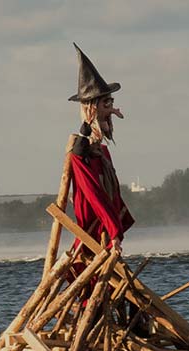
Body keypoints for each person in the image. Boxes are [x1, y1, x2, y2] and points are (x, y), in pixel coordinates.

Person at [67, 43, 134, 255]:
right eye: (107, 104)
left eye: (112, 103)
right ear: (92, 109)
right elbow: (94, 194)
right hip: (94, 237)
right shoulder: (81, 152)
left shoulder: (102, 152)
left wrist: (117, 228)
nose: (113, 110)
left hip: (105, 232)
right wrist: (114, 232)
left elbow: (112, 194)